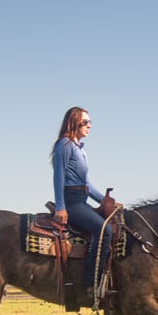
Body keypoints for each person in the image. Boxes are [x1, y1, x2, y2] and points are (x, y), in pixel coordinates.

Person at [51, 106, 114, 297]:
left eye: (90, 122)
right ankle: (90, 284)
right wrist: (60, 206)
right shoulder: (65, 145)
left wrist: (105, 201)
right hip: (71, 201)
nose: (89, 125)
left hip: (82, 198)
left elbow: (87, 184)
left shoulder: (81, 151)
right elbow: (58, 176)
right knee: (104, 231)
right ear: (73, 123)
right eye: (85, 122)